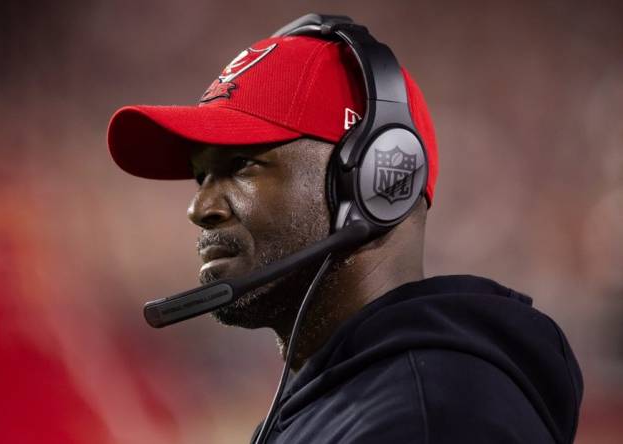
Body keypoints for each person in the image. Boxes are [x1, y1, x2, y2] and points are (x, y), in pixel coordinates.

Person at [106, 14, 583, 444]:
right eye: (201, 176)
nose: (199, 207)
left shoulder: (430, 419)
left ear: (376, 180)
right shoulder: (347, 401)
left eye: (242, 165)